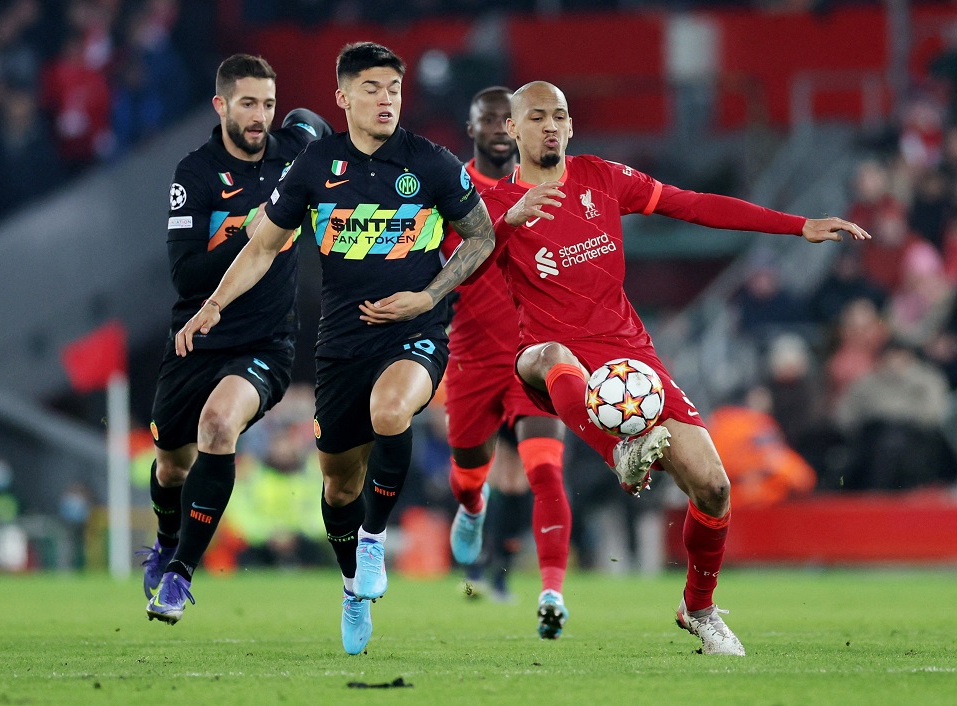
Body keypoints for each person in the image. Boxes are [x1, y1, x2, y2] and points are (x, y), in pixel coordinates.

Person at [478, 81, 870, 656]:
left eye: (560, 115)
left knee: (713, 488)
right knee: (554, 358)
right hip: (546, 358)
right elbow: (461, 268)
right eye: (537, 117)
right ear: (511, 129)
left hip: (631, 363)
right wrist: (511, 219)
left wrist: (796, 224)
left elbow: (695, 204)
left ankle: (700, 607)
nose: (551, 126)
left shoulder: (601, 178)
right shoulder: (491, 203)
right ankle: (620, 454)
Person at [174, 42, 495, 655]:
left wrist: (429, 298)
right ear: (342, 97)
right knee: (339, 486)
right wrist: (214, 303)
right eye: (371, 88)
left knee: (392, 411)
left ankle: (373, 542)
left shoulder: (430, 162)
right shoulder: (315, 166)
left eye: (393, 89)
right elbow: (264, 245)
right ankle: (353, 588)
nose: (385, 99)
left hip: (413, 331)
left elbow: (480, 237)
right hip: (342, 344)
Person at [141, 53, 333, 624]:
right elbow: (187, 276)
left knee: (219, 426)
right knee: (171, 466)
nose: (260, 117)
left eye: (268, 105)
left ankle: (179, 577)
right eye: (248, 104)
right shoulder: (195, 174)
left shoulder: (294, 155)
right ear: (221, 105)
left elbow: (319, 136)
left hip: (266, 344)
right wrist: (255, 234)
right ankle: (167, 540)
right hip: (198, 335)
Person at [440, 86, 571, 638]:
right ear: (472, 129)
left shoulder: (550, 186)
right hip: (471, 355)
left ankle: (549, 591)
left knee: (540, 470)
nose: (497, 127)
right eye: (486, 118)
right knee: (476, 475)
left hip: (531, 353)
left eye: (504, 118)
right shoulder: (450, 191)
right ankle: (472, 508)